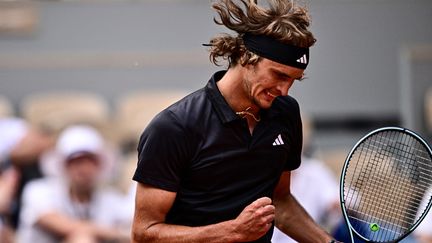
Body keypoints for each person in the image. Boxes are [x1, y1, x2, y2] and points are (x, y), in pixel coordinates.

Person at [131, 0, 337, 242]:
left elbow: (279, 201)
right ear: (246, 58)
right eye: (279, 75)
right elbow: (143, 233)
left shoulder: (286, 112)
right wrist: (232, 232)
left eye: (294, 80)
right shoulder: (174, 127)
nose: (284, 90)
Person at [17, 125, 131, 243]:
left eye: (90, 161)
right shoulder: (38, 190)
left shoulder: (110, 198)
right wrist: (115, 233)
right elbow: (64, 227)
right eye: (77, 162)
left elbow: (133, 227)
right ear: (64, 166)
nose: (84, 169)